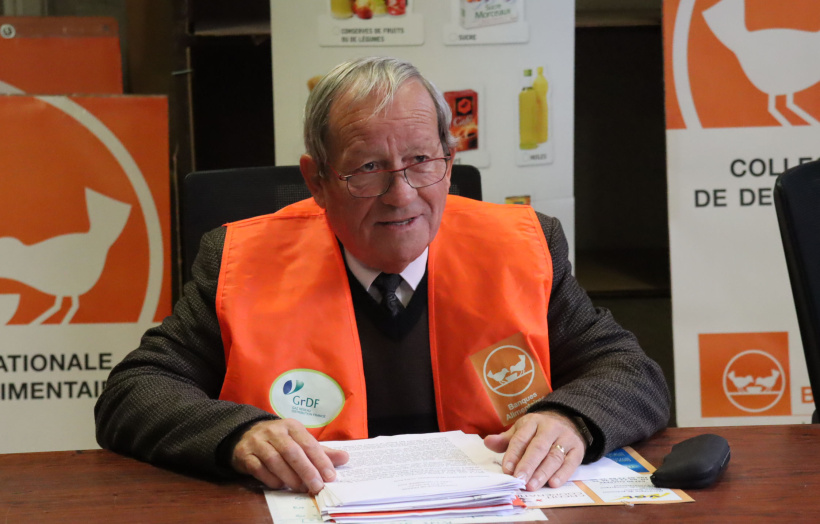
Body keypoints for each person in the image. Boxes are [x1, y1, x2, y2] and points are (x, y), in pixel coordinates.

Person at [95, 56, 669, 495]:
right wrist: (235, 434)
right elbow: (133, 393)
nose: (403, 195)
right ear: (316, 180)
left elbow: (632, 374)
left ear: (449, 160)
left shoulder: (525, 246)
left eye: (422, 161)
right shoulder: (239, 261)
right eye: (368, 168)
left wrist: (570, 419)